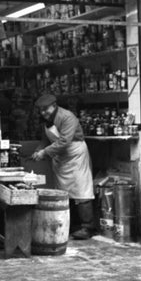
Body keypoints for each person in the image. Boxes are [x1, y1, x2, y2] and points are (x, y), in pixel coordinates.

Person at [31, 94, 95, 240]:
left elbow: (65, 141)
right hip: (61, 158)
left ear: (54, 106)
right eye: (41, 110)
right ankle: (72, 225)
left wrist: (44, 152)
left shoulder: (67, 117)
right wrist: (38, 150)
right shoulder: (47, 120)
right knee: (63, 193)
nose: (43, 113)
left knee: (81, 191)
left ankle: (88, 227)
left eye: (45, 109)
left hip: (75, 156)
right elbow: (46, 139)